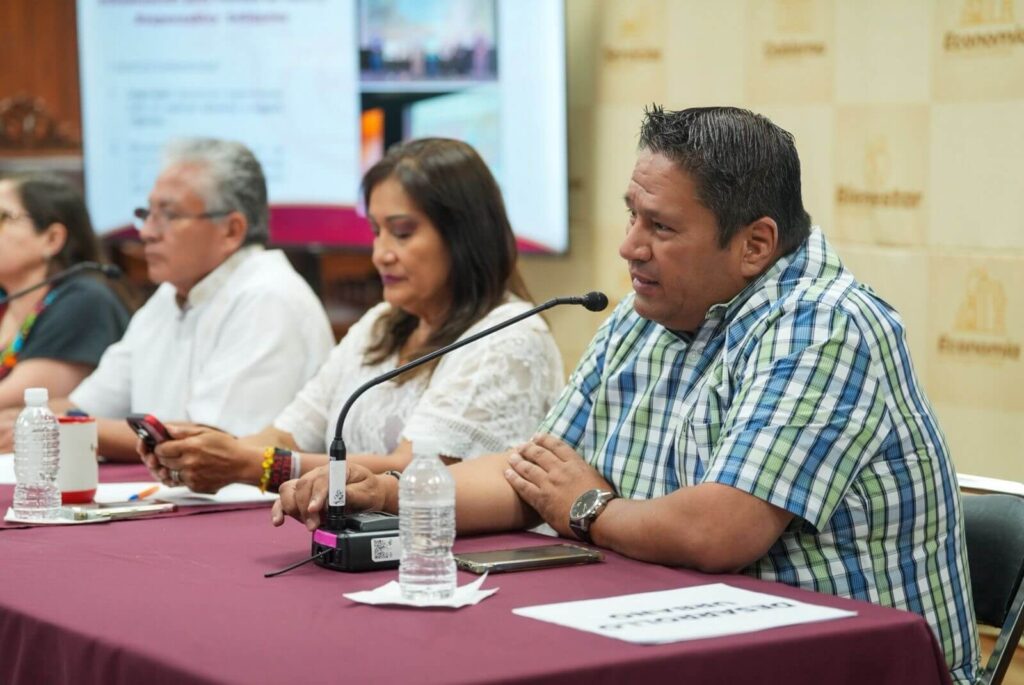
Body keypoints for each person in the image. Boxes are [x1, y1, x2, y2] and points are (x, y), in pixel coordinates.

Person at [275, 107, 979, 683]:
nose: (629, 246)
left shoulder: (826, 325)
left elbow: (717, 532)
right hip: (693, 641)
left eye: (660, 227)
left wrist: (589, 508)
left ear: (755, 245)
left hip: (846, 663)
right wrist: (395, 493)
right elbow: (534, 474)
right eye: (632, 215)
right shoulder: (646, 315)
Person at [140, 138, 564, 495]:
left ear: (464, 236)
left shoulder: (509, 335)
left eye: (402, 233)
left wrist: (252, 466)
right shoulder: (381, 324)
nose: (380, 254)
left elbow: (414, 470)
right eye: (376, 231)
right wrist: (203, 453)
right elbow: (288, 434)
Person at [0, 138, 334, 462]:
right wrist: (24, 420)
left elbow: (210, 443)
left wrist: (52, 426)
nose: (146, 232)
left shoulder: (269, 296)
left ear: (231, 230)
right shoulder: (168, 296)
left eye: (169, 216)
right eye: (147, 213)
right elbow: (86, 406)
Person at [0, 174, 129, 409]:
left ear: (52, 239)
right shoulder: (4, 300)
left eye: (3, 217)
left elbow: (24, 400)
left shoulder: (84, 301)